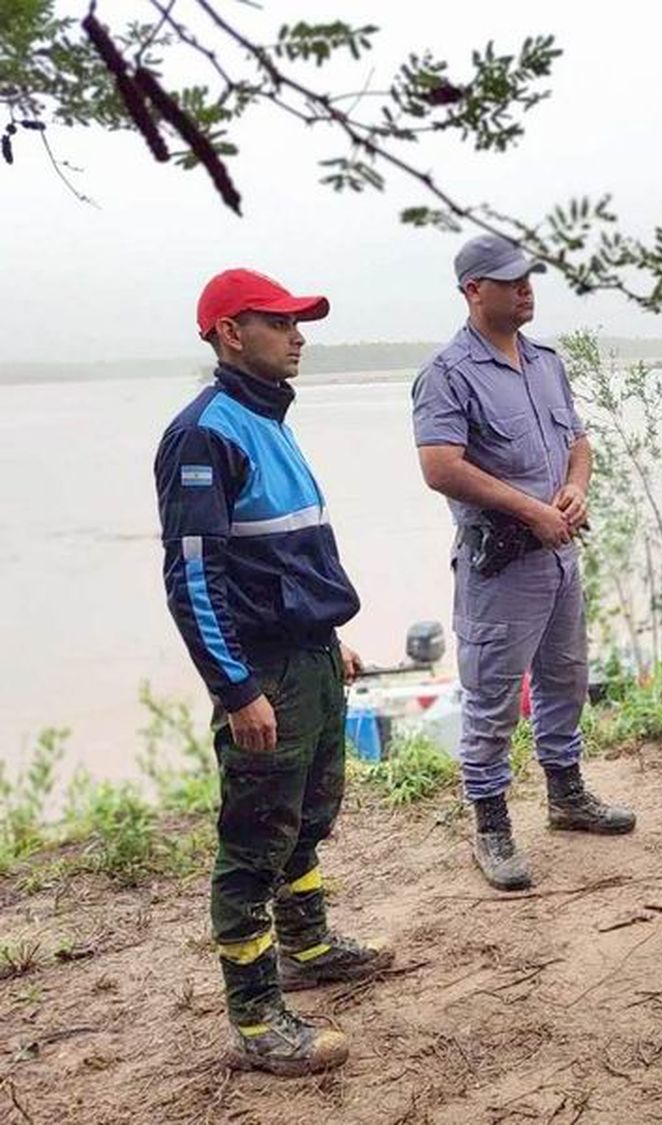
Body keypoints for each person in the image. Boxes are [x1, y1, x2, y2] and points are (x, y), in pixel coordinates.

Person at [154, 268, 391, 1077]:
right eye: (279, 321)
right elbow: (194, 577)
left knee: (308, 814)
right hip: (265, 673)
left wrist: (330, 637)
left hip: (311, 655)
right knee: (254, 840)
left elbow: (284, 551)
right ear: (229, 332)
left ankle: (309, 945)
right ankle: (256, 1019)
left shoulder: (270, 420)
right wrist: (237, 688)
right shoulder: (204, 434)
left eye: (299, 322)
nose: (299, 335)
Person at [412, 233, 634, 893]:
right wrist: (528, 509)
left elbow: (579, 441)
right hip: (501, 564)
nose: (525, 288)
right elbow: (440, 466)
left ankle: (566, 795)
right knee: (492, 697)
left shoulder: (545, 362)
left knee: (566, 677)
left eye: (528, 277)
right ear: (473, 290)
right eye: (509, 280)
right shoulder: (448, 373)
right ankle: (491, 823)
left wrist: (574, 487)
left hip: (558, 555)